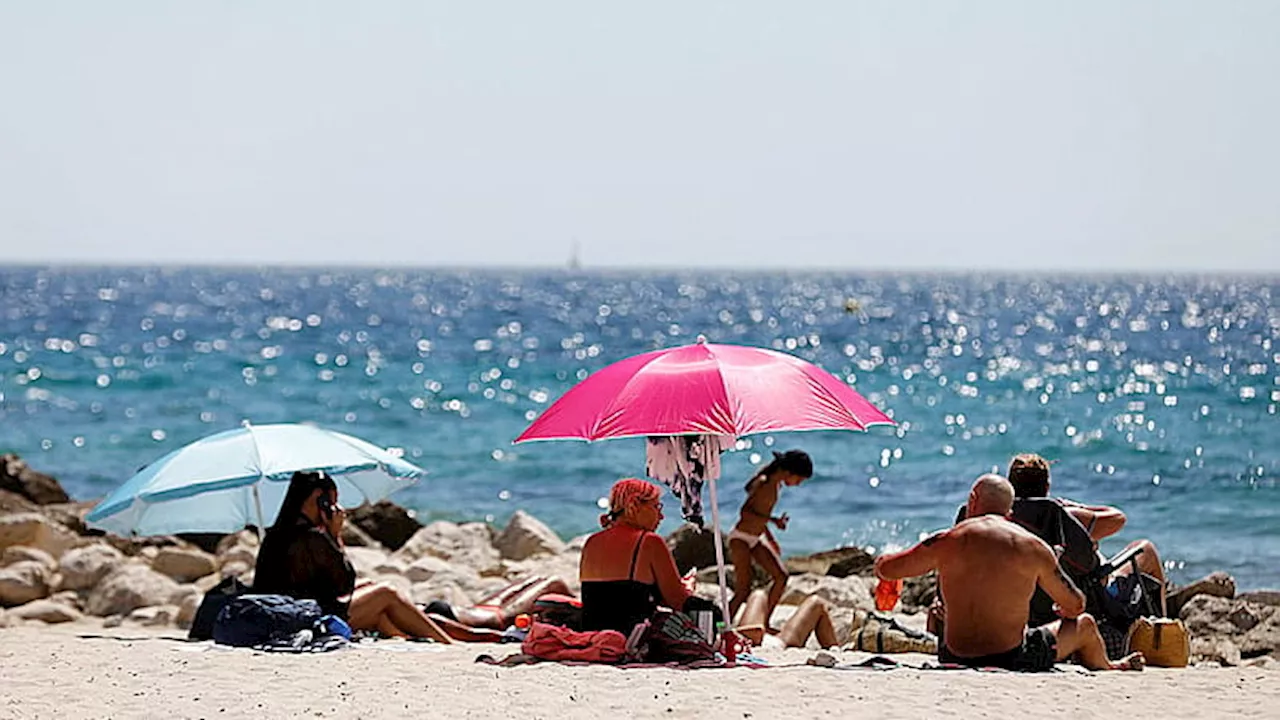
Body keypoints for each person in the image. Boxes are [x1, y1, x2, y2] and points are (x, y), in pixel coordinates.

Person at [875, 474, 1144, 671]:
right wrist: (1064, 610)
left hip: (953, 655)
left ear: (973, 501)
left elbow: (887, 568)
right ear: (1010, 510)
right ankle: (1110, 667)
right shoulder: (1033, 547)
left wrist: (886, 568)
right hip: (1013, 657)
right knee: (1084, 624)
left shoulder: (947, 541)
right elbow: (1075, 605)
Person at [253, 471, 452, 643]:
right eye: (331, 501)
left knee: (370, 588)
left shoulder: (281, 531)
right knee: (386, 592)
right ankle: (446, 642)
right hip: (306, 621)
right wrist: (335, 534)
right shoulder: (311, 537)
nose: (335, 507)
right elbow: (344, 583)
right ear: (318, 498)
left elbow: (321, 588)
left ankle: (408, 638)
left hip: (286, 616)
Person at [1007, 453, 1169, 612]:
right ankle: (1164, 629)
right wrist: (1075, 507)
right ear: (1047, 487)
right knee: (1146, 549)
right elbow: (1118, 518)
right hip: (1089, 599)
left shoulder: (1004, 521)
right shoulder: (1062, 518)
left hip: (1032, 605)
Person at [579, 478, 700, 634]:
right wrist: (688, 588)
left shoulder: (591, 542)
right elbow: (679, 601)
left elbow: (611, 597)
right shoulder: (648, 542)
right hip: (632, 642)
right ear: (635, 506)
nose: (661, 516)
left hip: (593, 637)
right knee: (711, 613)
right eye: (656, 507)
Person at [726, 449, 813, 622]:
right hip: (740, 539)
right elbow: (745, 512)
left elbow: (759, 514)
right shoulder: (764, 483)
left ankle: (764, 622)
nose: (798, 484)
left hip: (755, 538)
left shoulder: (775, 485)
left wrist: (770, 537)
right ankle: (720, 625)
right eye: (799, 480)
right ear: (789, 472)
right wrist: (773, 520)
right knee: (743, 590)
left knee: (781, 576)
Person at [419, 575, 572, 641]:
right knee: (555, 583)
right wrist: (495, 636)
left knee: (540, 579)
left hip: (482, 609)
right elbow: (435, 623)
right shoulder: (425, 621)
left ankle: (577, 612)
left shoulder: (405, 613)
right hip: (494, 618)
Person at [737, 589, 838, 650]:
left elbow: (721, 625)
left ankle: (834, 650)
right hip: (763, 645)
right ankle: (834, 651)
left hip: (743, 639)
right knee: (816, 603)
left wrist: (724, 629)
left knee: (758, 595)